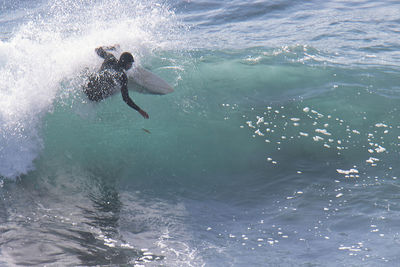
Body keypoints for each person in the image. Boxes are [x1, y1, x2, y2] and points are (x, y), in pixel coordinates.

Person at [84, 45, 149, 119]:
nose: (131, 66)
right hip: (95, 97)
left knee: (93, 74)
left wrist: (112, 48)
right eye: (129, 64)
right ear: (125, 63)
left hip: (88, 86)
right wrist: (139, 110)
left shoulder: (110, 58)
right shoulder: (122, 76)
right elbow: (126, 98)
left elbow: (98, 50)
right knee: (114, 88)